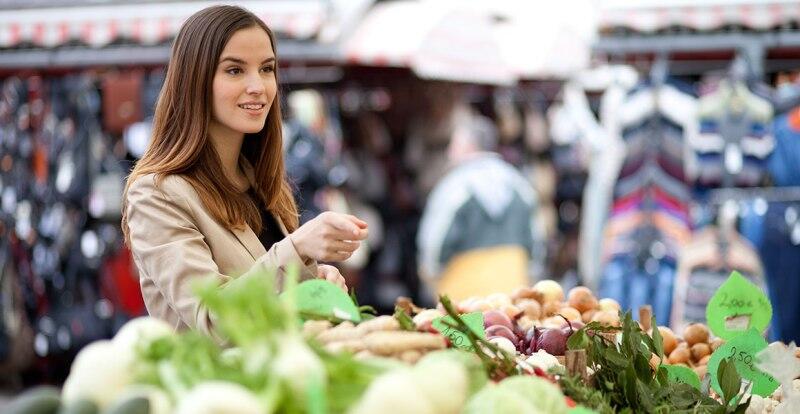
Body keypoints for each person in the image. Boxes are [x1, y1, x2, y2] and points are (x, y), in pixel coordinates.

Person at [121, 5, 368, 338]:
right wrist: (298, 249)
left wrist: (315, 279)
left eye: (267, 69)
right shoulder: (156, 194)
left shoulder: (257, 179)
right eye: (235, 71)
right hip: (214, 388)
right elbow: (213, 317)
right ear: (195, 80)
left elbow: (264, 290)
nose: (259, 86)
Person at [417, 113, 538, 302]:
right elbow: (536, 236)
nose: (450, 151)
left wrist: (430, 271)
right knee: (506, 330)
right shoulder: (517, 182)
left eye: (454, 144)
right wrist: (533, 271)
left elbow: (436, 238)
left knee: (463, 331)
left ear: (469, 145)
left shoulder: (455, 186)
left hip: (463, 288)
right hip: (512, 283)